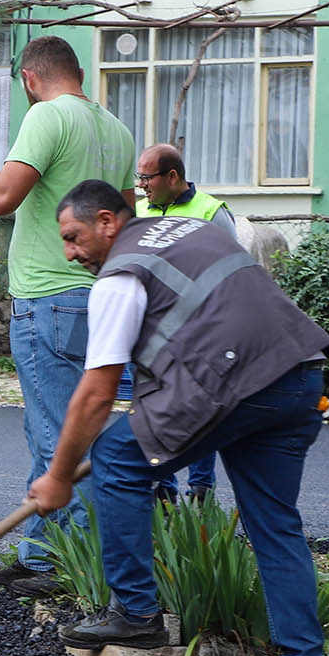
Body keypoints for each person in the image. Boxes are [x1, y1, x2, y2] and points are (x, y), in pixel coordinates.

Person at [29, 180, 329, 656]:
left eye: (74, 237)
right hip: (297, 374)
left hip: (237, 382)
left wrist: (58, 477)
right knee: (275, 524)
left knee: (117, 455)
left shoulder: (120, 276)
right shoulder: (190, 229)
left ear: (107, 221)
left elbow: (97, 393)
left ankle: (135, 612)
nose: (71, 253)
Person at [0, 36, 136, 599]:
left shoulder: (47, 116)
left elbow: (1, 197)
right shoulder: (116, 129)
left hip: (48, 298)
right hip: (95, 298)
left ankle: (88, 575)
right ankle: (40, 556)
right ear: (81, 73)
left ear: (27, 79)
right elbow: (124, 217)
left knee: (58, 443)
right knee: (62, 431)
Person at [134, 142, 234, 503]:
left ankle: (201, 490)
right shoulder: (138, 210)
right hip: (149, 332)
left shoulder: (210, 211)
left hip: (196, 331)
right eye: (139, 177)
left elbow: (230, 272)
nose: (141, 185)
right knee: (154, 410)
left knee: (198, 413)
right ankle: (163, 489)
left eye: (147, 177)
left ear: (172, 176)